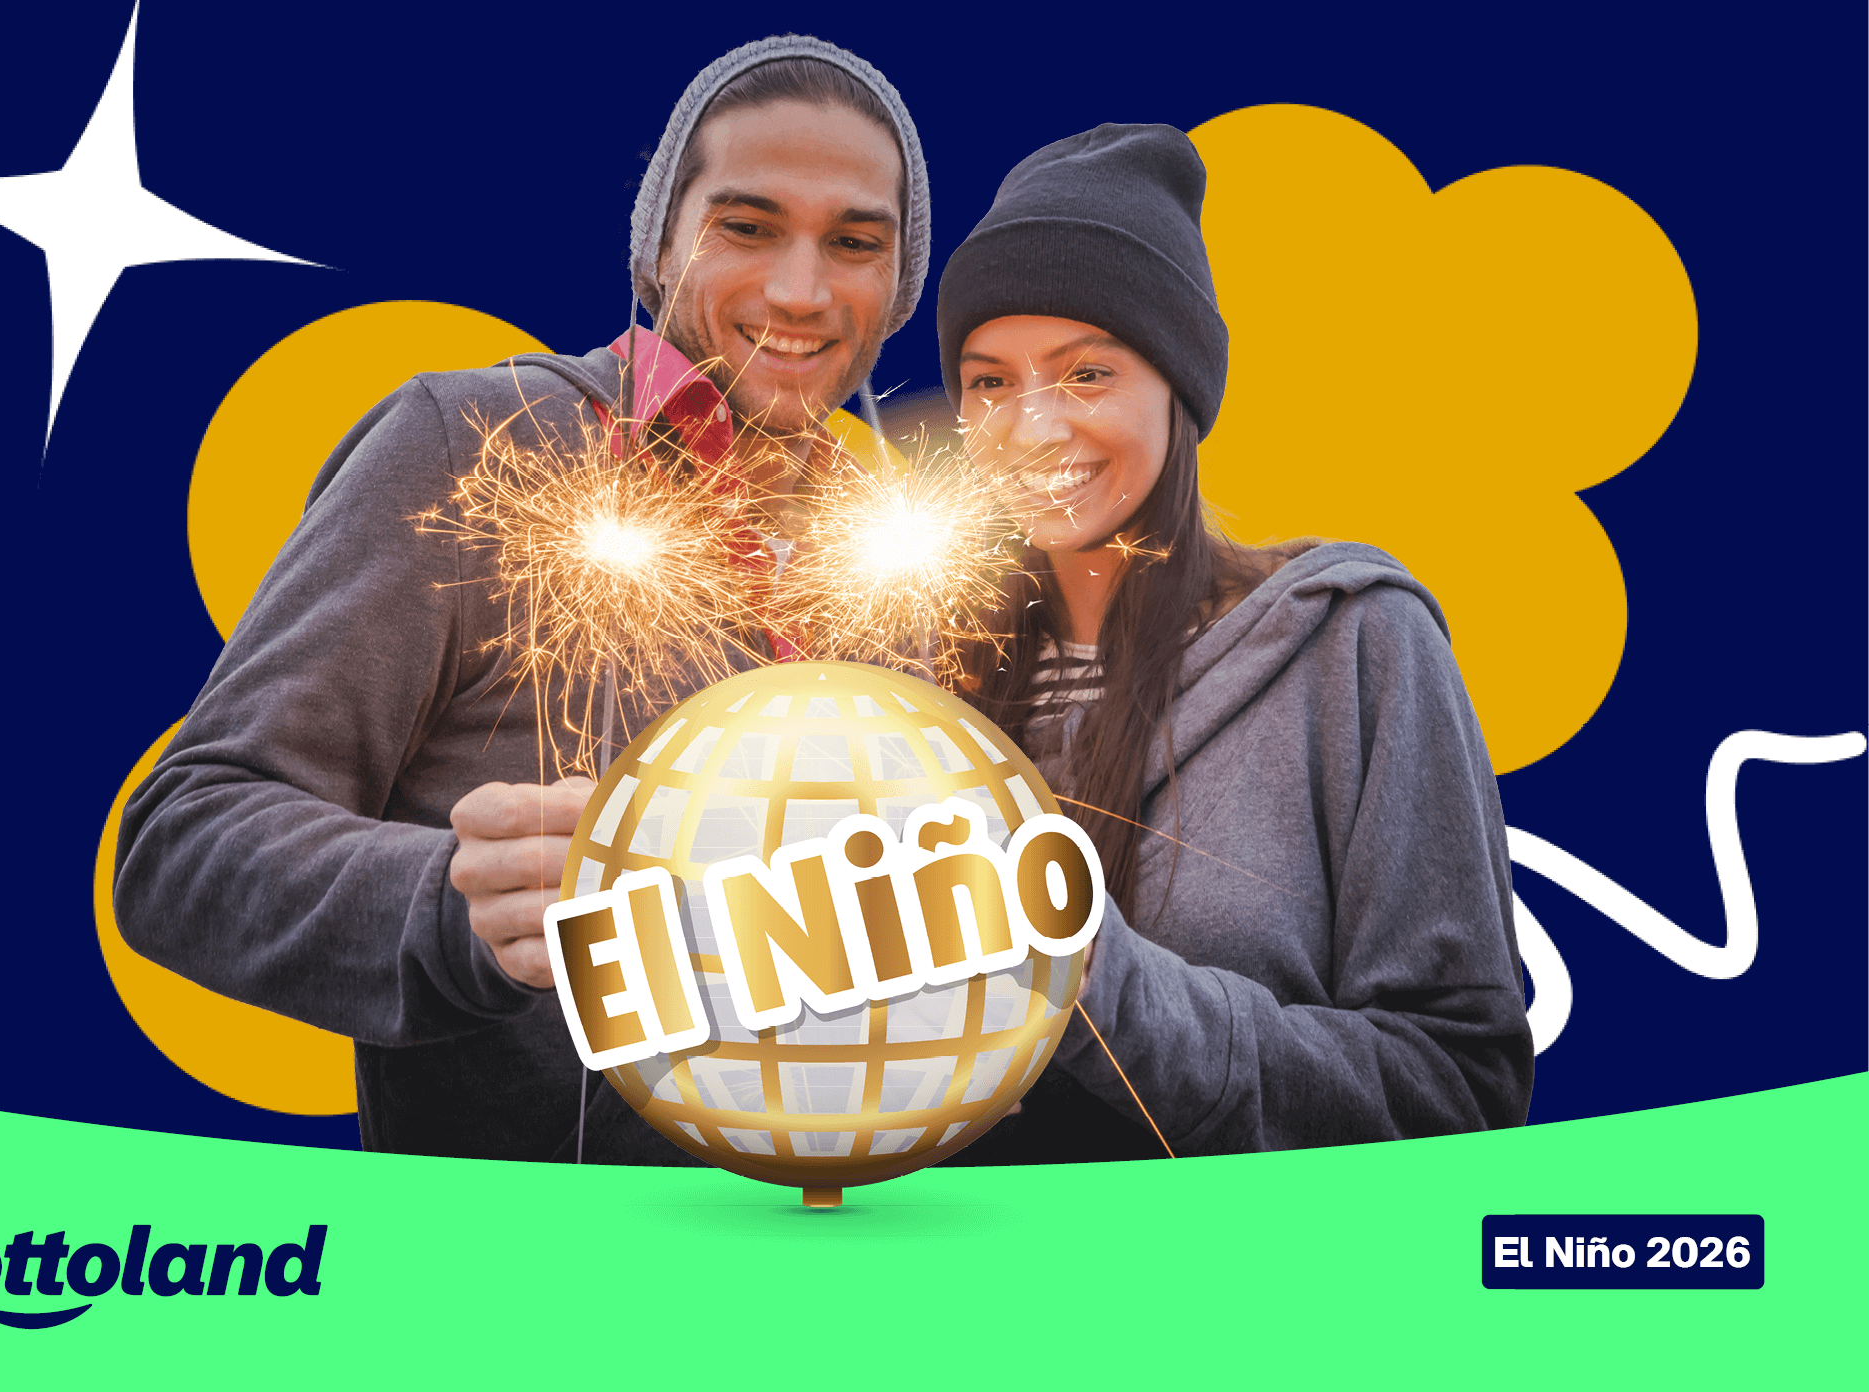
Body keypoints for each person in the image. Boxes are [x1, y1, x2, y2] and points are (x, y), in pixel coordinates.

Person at [112, 36, 930, 1162]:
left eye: (854, 243)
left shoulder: (892, 566)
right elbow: (183, 842)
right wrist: (456, 909)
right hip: (526, 1283)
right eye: (746, 228)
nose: (800, 289)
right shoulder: (474, 447)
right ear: (658, 244)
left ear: (898, 284)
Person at [933, 125, 1532, 1161]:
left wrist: (1101, 986)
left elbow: (1460, 1089)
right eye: (989, 382)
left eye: (1086, 375)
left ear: (1181, 389)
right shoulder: (907, 688)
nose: (1030, 430)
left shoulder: (1352, 646)